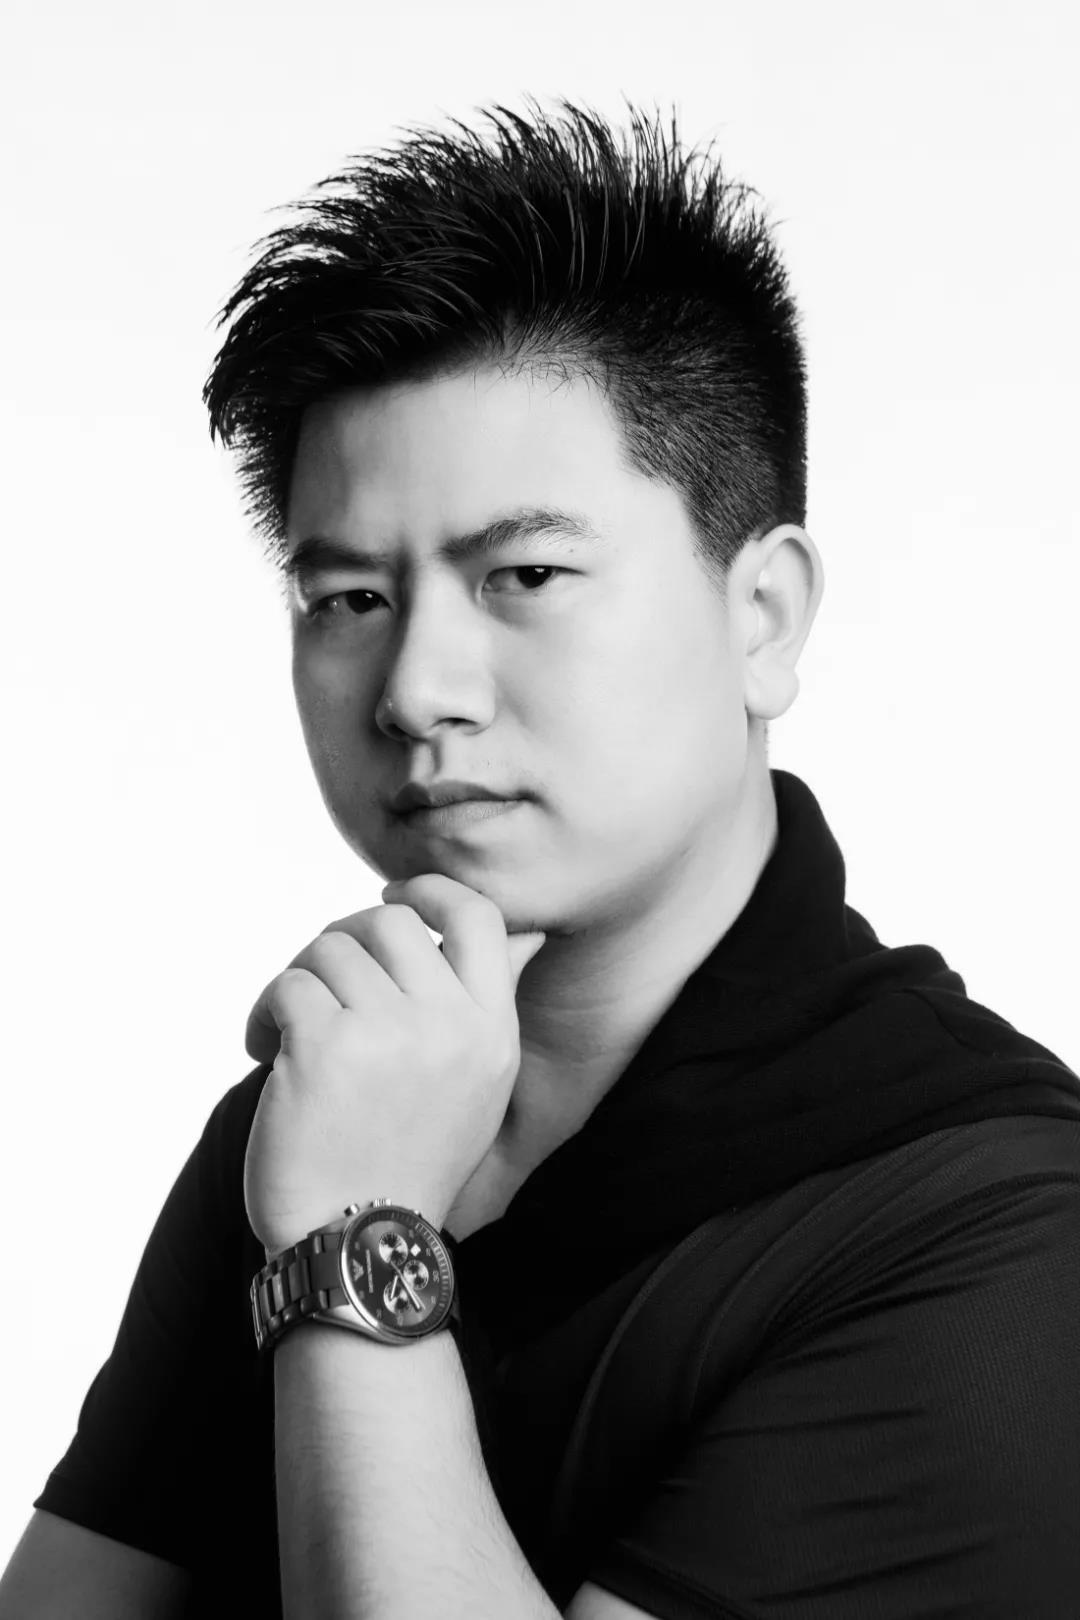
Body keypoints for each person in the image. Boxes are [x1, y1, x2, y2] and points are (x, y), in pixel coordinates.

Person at [2, 95, 1078, 1620]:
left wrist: (357, 1241)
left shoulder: (1006, 1230)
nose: (416, 689)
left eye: (523, 574)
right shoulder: (326, 1108)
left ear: (763, 616)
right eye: (349, 600)